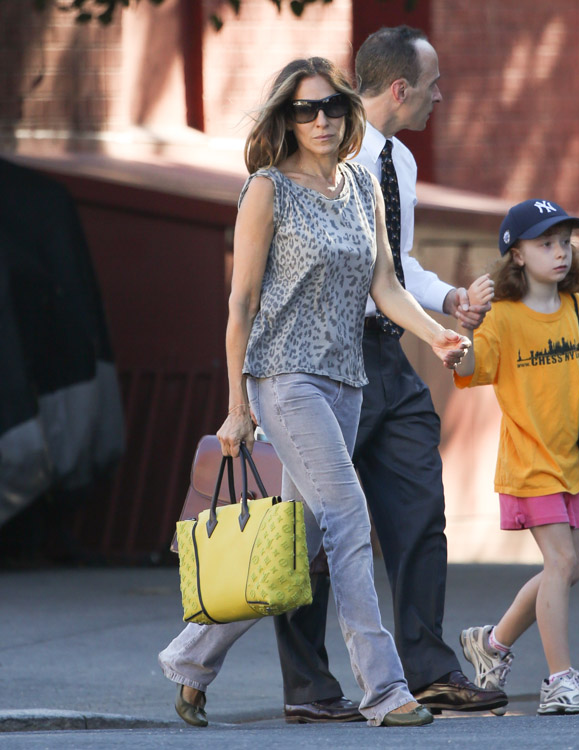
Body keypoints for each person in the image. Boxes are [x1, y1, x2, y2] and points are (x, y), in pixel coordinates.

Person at [158, 55, 472, 728]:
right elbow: (240, 304)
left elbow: (384, 287)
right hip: (284, 381)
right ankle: (384, 690)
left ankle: (189, 661)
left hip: (346, 383)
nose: (321, 119)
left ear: (347, 111)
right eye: (305, 109)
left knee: (295, 545)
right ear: (286, 118)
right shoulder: (267, 189)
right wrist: (238, 407)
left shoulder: (361, 186)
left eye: (330, 106)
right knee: (349, 520)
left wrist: (437, 333)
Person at [276, 26, 508, 724]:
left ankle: (426, 668)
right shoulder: (313, 159)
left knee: (418, 507)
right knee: (311, 530)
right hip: (319, 361)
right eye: (433, 84)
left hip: (388, 355)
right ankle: (309, 687)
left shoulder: (398, 163)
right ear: (400, 86)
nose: (440, 96)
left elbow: (393, 269)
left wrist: (447, 305)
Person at [455, 198, 579, 715]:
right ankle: (559, 682)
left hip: (567, 459)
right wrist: (466, 336)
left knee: (566, 573)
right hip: (528, 463)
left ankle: (493, 643)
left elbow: (566, 367)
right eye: (546, 243)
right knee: (561, 562)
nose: (560, 252)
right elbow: (472, 368)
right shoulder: (503, 319)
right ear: (516, 255)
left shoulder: (572, 307)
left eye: (565, 242)